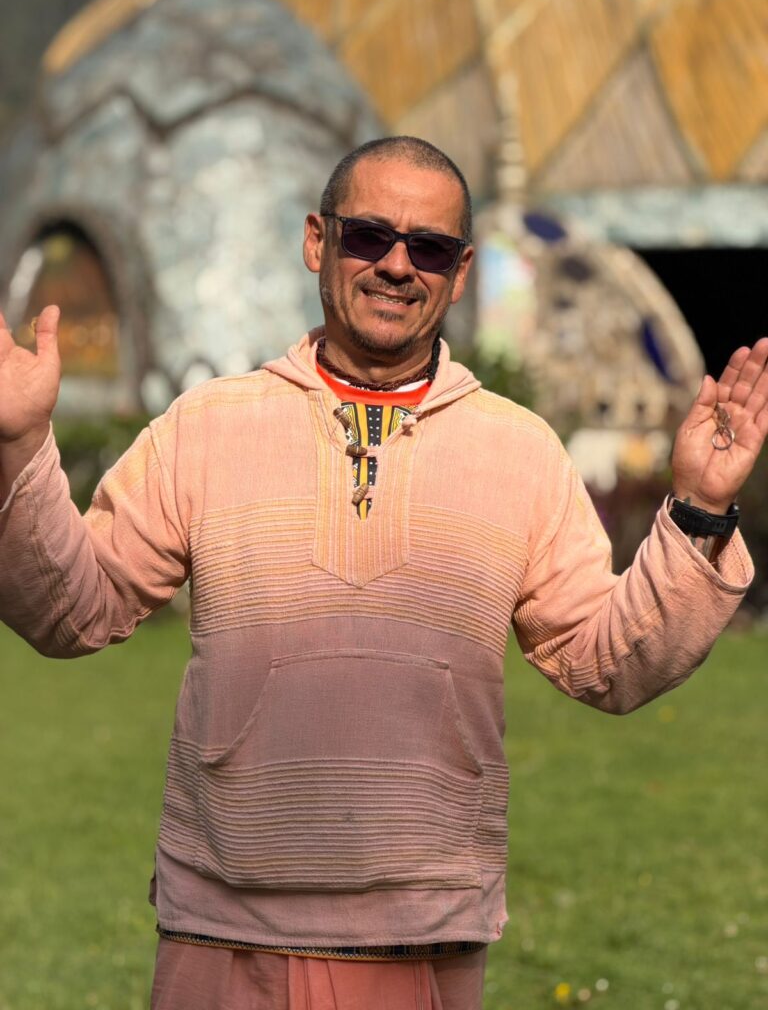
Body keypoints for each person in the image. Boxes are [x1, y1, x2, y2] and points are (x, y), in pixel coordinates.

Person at [0, 136, 766, 1010]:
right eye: (369, 235)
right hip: (225, 924)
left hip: (423, 933)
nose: (398, 265)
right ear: (317, 241)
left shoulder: (518, 450)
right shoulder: (205, 427)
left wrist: (700, 509)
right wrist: (19, 443)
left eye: (429, 248)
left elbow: (609, 660)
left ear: (461, 272)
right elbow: (73, 610)